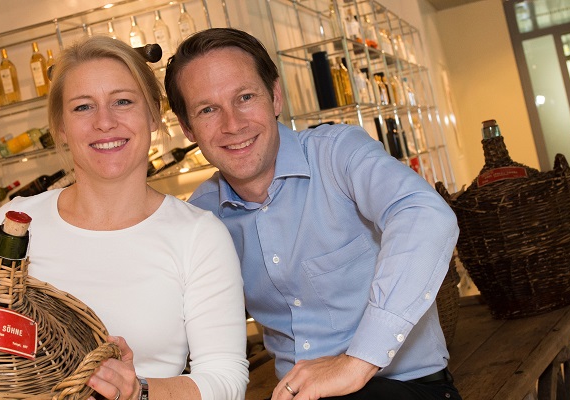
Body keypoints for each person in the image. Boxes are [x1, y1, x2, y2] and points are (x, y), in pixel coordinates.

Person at [0, 36, 249, 400]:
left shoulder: (198, 236)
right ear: (60, 126)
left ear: (153, 115)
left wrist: (137, 391)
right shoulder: (17, 220)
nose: (105, 122)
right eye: (82, 107)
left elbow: (225, 379)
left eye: (123, 101)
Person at [164, 28, 461, 400]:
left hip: (405, 387)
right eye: (208, 109)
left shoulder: (338, 154)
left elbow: (425, 215)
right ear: (187, 128)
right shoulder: (201, 216)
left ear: (275, 97)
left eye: (245, 97)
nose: (232, 124)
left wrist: (356, 363)